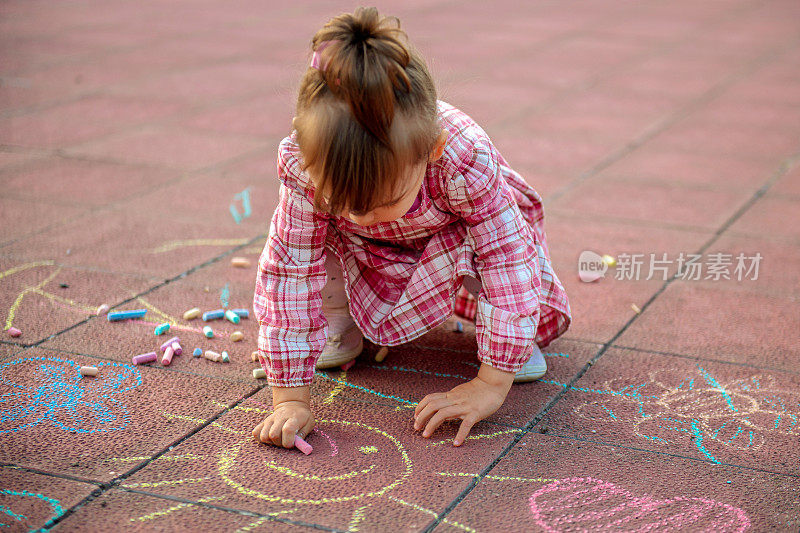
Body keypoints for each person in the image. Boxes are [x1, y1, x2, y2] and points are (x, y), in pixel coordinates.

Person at [252, 7, 571, 449]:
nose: (362, 215)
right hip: (367, 252)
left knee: (493, 242)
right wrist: (289, 398)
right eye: (345, 201)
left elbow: (508, 257)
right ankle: (337, 322)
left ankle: (509, 343)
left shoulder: (462, 159)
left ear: (431, 150)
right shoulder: (305, 166)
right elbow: (289, 267)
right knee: (308, 234)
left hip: (448, 242)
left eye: (383, 201)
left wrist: (492, 382)